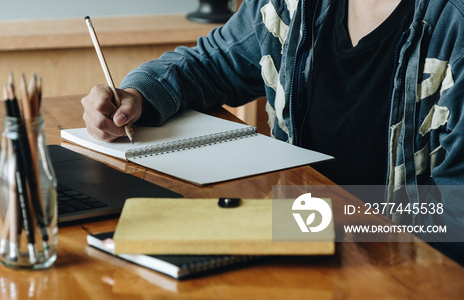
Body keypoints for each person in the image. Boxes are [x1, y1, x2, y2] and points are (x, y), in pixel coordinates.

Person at [81, 0, 463, 264]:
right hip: (296, 240)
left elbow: (455, 222)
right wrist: (136, 96)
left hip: (399, 270)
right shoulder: (289, 5)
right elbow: (209, 63)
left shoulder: (454, 25)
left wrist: (322, 222)